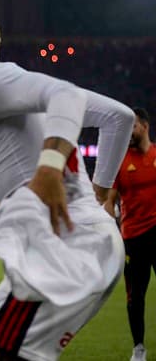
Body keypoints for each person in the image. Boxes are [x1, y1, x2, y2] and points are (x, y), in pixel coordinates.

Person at [0, 4, 134, 360]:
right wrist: (98, 194)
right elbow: (119, 116)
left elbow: (67, 95)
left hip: (65, 245)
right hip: (86, 239)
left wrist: (50, 168)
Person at [105, 108, 156, 361]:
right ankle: (138, 348)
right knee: (135, 296)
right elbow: (109, 202)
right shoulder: (120, 162)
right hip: (134, 239)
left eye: (132, 126)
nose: (129, 132)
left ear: (145, 127)